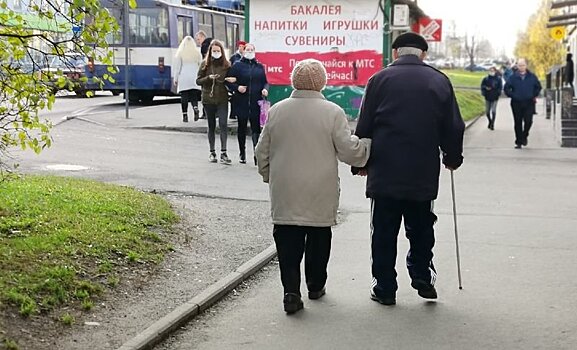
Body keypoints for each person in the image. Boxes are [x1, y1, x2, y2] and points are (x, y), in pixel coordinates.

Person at [353, 32, 465, 306]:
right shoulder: (439, 80)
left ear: (395, 53)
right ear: (423, 54)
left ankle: (385, 287)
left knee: (383, 230)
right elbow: (453, 125)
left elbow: (365, 124)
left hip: (385, 171)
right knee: (421, 225)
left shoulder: (378, 80)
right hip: (421, 171)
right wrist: (452, 156)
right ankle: (422, 273)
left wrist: (361, 163)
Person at [255, 59, 372, 314]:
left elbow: (261, 150)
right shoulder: (332, 112)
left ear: (294, 80)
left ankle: (291, 292)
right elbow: (347, 151)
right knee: (319, 238)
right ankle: (316, 285)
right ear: (322, 82)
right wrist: (366, 147)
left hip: (285, 188)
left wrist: (269, 176)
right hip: (320, 187)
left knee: (287, 243)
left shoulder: (277, 111)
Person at [227, 43, 268, 164]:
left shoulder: (259, 66)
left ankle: (256, 155)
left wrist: (265, 89)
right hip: (241, 102)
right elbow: (228, 82)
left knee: (256, 129)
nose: (249, 51)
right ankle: (242, 153)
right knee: (242, 127)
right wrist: (237, 87)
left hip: (256, 103)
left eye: (252, 50)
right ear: (243, 51)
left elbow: (265, 82)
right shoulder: (237, 66)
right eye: (247, 49)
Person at [196, 40, 232, 164]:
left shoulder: (226, 65)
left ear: (222, 51)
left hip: (222, 99)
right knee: (211, 126)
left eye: (218, 51)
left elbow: (230, 79)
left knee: (223, 124)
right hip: (208, 99)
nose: (216, 53)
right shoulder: (204, 64)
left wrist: (231, 81)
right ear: (210, 51)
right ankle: (212, 152)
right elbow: (198, 81)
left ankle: (223, 152)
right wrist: (208, 78)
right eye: (214, 51)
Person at [504, 58, 542, 149]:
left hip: (529, 102)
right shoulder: (513, 77)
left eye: (523, 65)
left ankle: (524, 136)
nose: (521, 67)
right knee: (518, 122)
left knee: (528, 121)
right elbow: (506, 88)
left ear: (526, 66)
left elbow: (538, 87)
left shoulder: (532, 76)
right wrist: (513, 95)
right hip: (516, 103)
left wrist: (533, 95)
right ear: (517, 66)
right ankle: (519, 141)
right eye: (519, 65)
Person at [173, 36, 202, 122]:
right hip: (194, 77)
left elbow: (177, 67)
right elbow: (200, 66)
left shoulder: (180, 53)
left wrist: (175, 78)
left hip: (184, 77)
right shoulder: (197, 53)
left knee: (184, 96)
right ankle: (195, 108)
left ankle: (185, 115)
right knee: (194, 96)